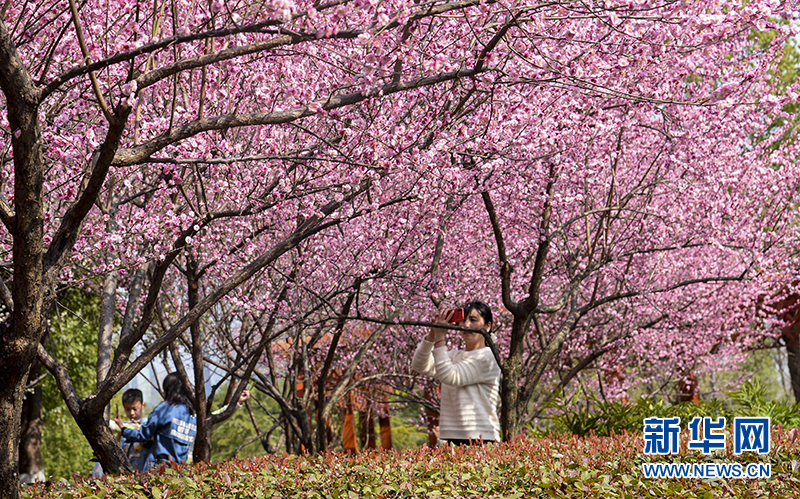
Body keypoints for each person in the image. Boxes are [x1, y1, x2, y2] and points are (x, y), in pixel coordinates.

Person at [410, 300, 501, 445]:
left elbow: (451, 376)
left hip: (480, 437)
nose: (466, 325)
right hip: (451, 436)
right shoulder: (454, 356)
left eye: (473, 320)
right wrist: (432, 335)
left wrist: (440, 338)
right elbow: (420, 365)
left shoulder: (487, 357)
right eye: (463, 320)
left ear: (488, 326)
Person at [116, 373, 196, 469]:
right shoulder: (192, 415)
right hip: (179, 469)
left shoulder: (165, 409)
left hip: (159, 468)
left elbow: (143, 435)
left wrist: (124, 430)